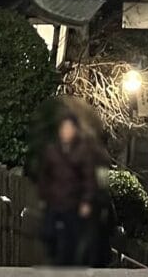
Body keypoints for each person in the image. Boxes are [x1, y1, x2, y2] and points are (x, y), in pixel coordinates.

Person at [37, 113, 97, 265]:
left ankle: (67, 266)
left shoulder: (82, 151)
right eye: (64, 128)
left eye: (70, 128)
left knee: (71, 240)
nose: (66, 131)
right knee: (49, 234)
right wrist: (43, 196)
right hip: (54, 200)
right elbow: (44, 175)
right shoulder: (52, 150)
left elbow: (89, 178)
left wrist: (86, 201)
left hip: (73, 202)